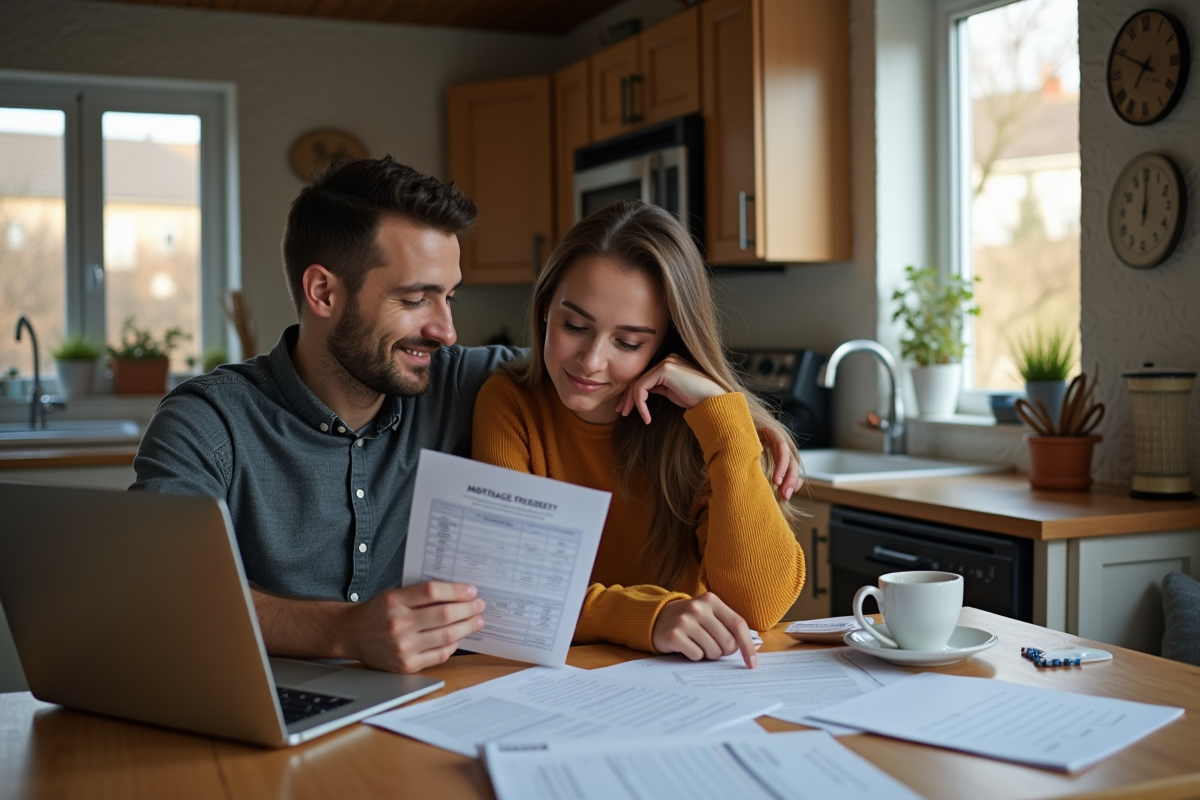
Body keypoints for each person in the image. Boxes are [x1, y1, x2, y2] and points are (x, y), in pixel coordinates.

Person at [133, 157, 803, 674]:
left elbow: (582, 377)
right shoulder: (207, 422)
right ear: (323, 291)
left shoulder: (456, 377)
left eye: (450, 296)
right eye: (418, 298)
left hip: (437, 701)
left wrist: (735, 420)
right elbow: (156, 594)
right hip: (258, 705)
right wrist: (341, 630)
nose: (447, 330)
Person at [471, 201, 807, 669]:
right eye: (574, 325)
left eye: (627, 343)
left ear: (666, 343)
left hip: (681, 683)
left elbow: (758, 607)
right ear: (546, 306)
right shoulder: (510, 404)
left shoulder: (705, 427)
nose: (590, 361)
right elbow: (509, 592)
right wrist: (650, 616)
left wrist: (726, 427)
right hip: (548, 680)